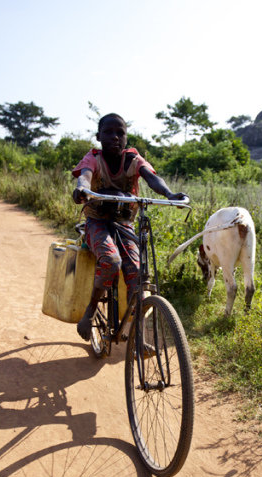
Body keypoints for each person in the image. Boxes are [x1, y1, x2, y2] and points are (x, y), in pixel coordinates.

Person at [71, 113, 187, 341]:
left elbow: (151, 177)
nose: (115, 137)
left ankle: (138, 337)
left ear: (126, 137)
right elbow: (84, 176)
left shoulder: (132, 158)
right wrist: (82, 188)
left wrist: (169, 194)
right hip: (97, 222)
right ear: (98, 136)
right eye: (108, 132)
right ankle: (91, 310)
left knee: (137, 274)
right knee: (111, 260)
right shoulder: (93, 158)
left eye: (120, 133)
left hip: (124, 222)